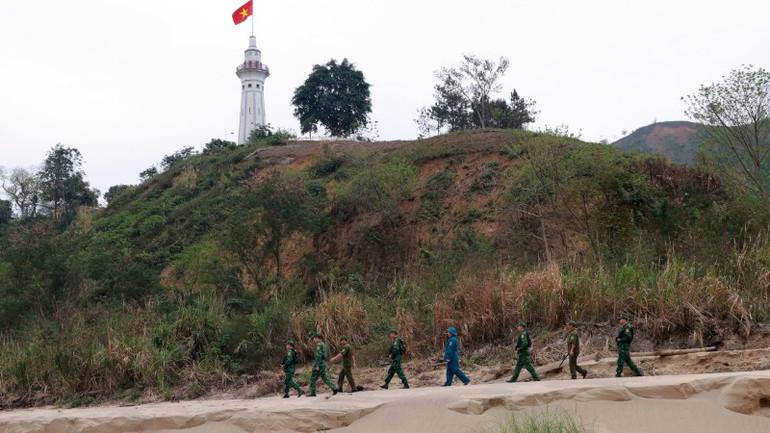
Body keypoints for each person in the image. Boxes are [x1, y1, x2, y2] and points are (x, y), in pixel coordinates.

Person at [307, 332, 339, 397]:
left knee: (313, 378)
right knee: (324, 377)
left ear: (316, 338)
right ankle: (334, 388)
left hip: (319, 363)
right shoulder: (322, 344)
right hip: (323, 363)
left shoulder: (319, 345)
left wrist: (317, 365)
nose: (313, 340)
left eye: (314, 338)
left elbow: (319, 355)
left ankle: (312, 392)